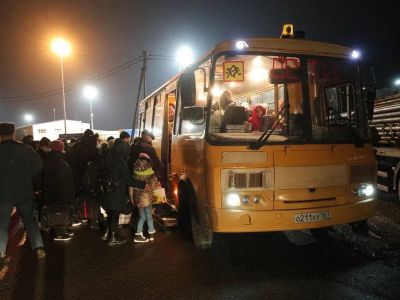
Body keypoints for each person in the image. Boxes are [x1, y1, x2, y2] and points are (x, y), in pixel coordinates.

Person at [0, 123, 46, 260]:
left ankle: (1, 250)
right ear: (13, 133)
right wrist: (26, 176)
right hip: (24, 190)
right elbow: (39, 166)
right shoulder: (26, 149)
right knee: (29, 219)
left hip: (3, 193)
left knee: (2, 222)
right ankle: (39, 247)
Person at [42, 140, 75, 241]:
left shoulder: (47, 159)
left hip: (50, 190)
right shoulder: (60, 161)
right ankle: (59, 233)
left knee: (56, 210)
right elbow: (64, 179)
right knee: (60, 210)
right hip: (60, 191)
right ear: (61, 148)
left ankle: (61, 230)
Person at [101, 138, 131, 246]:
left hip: (106, 190)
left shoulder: (107, 157)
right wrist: (142, 184)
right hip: (116, 192)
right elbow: (127, 180)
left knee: (110, 213)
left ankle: (106, 233)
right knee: (115, 214)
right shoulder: (121, 162)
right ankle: (112, 238)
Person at [130, 153, 161, 243]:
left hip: (138, 200)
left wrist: (132, 198)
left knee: (142, 216)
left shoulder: (134, 175)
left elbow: (130, 187)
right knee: (149, 215)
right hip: (147, 199)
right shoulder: (152, 176)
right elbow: (155, 187)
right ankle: (151, 233)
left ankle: (138, 234)